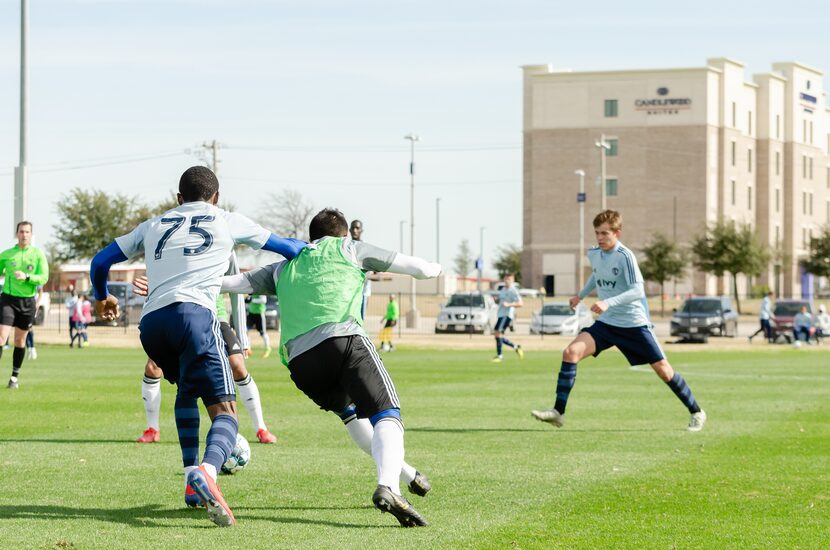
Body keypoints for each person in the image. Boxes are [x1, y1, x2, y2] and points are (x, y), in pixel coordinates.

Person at [90, 166, 304, 527]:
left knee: (187, 390)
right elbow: (288, 248)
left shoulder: (153, 223)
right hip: (196, 317)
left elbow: (100, 261)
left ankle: (191, 479)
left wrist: (102, 297)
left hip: (152, 324)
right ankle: (207, 471)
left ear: (178, 199)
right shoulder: (226, 219)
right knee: (225, 413)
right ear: (216, 197)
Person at [219, 208, 440, 527]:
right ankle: (389, 486)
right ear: (344, 233)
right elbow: (417, 268)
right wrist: (436, 268)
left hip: (301, 362)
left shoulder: (283, 267)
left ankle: (406, 474)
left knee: (350, 415)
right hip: (344, 339)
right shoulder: (350, 248)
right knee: (386, 413)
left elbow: (234, 283)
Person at [531, 210, 707, 432]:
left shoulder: (625, 256)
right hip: (607, 324)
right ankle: (558, 412)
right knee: (570, 353)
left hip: (634, 324)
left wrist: (608, 302)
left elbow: (637, 290)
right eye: (597, 233)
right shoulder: (595, 253)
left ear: (617, 233)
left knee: (663, 370)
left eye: (605, 233)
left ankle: (697, 412)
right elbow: (596, 274)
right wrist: (581, 295)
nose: (600, 237)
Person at [135, 254, 278, 448]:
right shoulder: (175, 243)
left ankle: (261, 428)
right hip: (182, 316)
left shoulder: (225, 246)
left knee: (237, 365)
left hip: (216, 316)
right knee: (153, 367)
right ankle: (152, 429)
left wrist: (243, 337)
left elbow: (238, 290)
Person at [0, 221, 49, 389]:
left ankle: (14, 377)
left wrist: (27, 276)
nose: (24, 235)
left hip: (28, 302)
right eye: (21, 231)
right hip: (7, 299)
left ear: (31, 234)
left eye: (27, 232)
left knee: (20, 341)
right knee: (1, 336)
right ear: (17, 234)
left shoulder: (37, 254)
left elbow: (44, 277)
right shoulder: (7, 254)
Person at [492, 273, 524, 362]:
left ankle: (500, 356)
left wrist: (509, 304)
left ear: (512, 281)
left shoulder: (513, 290)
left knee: (498, 334)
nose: (507, 281)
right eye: (505, 279)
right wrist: (496, 300)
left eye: (509, 279)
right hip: (500, 314)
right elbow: (501, 301)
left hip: (507, 315)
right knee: (497, 335)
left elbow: (521, 303)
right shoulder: (503, 289)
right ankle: (516, 347)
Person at [350, 219, 377, 319]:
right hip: (348, 291)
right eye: (352, 228)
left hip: (363, 292)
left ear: (361, 230)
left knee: (360, 320)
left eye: (357, 228)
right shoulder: (346, 246)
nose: (355, 230)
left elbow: (376, 273)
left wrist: (367, 276)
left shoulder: (366, 247)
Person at [26, 286, 44, 359]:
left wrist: (38, 302)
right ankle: (30, 348)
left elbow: (41, 290)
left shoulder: (35, 278)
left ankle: (32, 348)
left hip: (31, 305)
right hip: (24, 304)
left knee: (28, 327)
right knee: (25, 328)